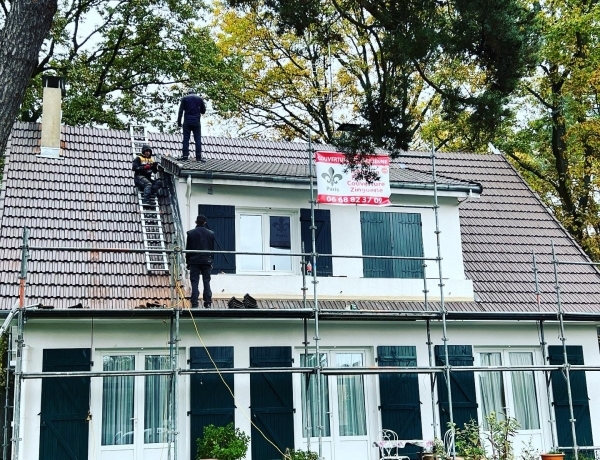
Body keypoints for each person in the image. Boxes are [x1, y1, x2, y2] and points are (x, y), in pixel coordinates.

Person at [186, 215, 215, 308]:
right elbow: (212, 249)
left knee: (194, 281)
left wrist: (188, 262)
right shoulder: (211, 234)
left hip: (194, 260)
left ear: (196, 222)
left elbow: (188, 249)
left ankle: (194, 302)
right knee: (206, 281)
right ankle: (208, 302)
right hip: (206, 260)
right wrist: (211, 261)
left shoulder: (190, 233)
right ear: (205, 222)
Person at [176, 89, 206, 162]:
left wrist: (179, 122)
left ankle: (185, 156)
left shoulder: (185, 98)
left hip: (187, 121)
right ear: (194, 92)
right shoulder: (199, 99)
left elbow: (180, 111)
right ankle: (198, 157)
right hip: (196, 122)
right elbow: (203, 111)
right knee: (198, 140)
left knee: (186, 139)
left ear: (188, 93)